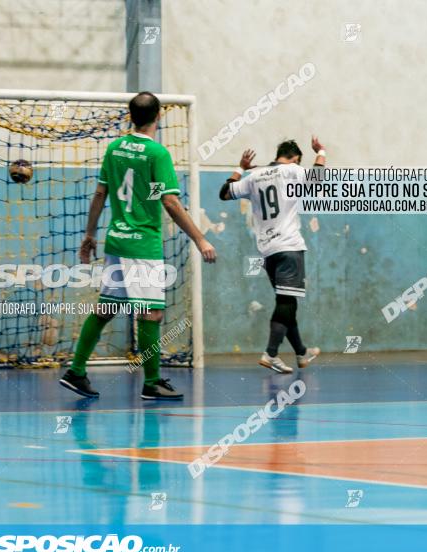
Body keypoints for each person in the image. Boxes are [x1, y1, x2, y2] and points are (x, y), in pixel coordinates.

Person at [60, 92, 217, 401]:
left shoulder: (115, 148)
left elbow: (100, 194)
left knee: (106, 308)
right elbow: (170, 201)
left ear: (130, 115)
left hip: (117, 241)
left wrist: (89, 235)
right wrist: (200, 238)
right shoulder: (157, 154)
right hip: (143, 245)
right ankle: (152, 382)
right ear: (158, 116)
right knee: (151, 314)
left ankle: (76, 371)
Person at [219, 138, 324, 373]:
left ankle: (301, 352)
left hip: (267, 251)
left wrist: (240, 168)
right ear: (296, 158)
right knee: (286, 302)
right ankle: (271, 354)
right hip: (289, 247)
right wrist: (321, 151)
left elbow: (224, 193)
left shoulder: (255, 176)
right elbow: (318, 179)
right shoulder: (294, 171)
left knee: (287, 303)